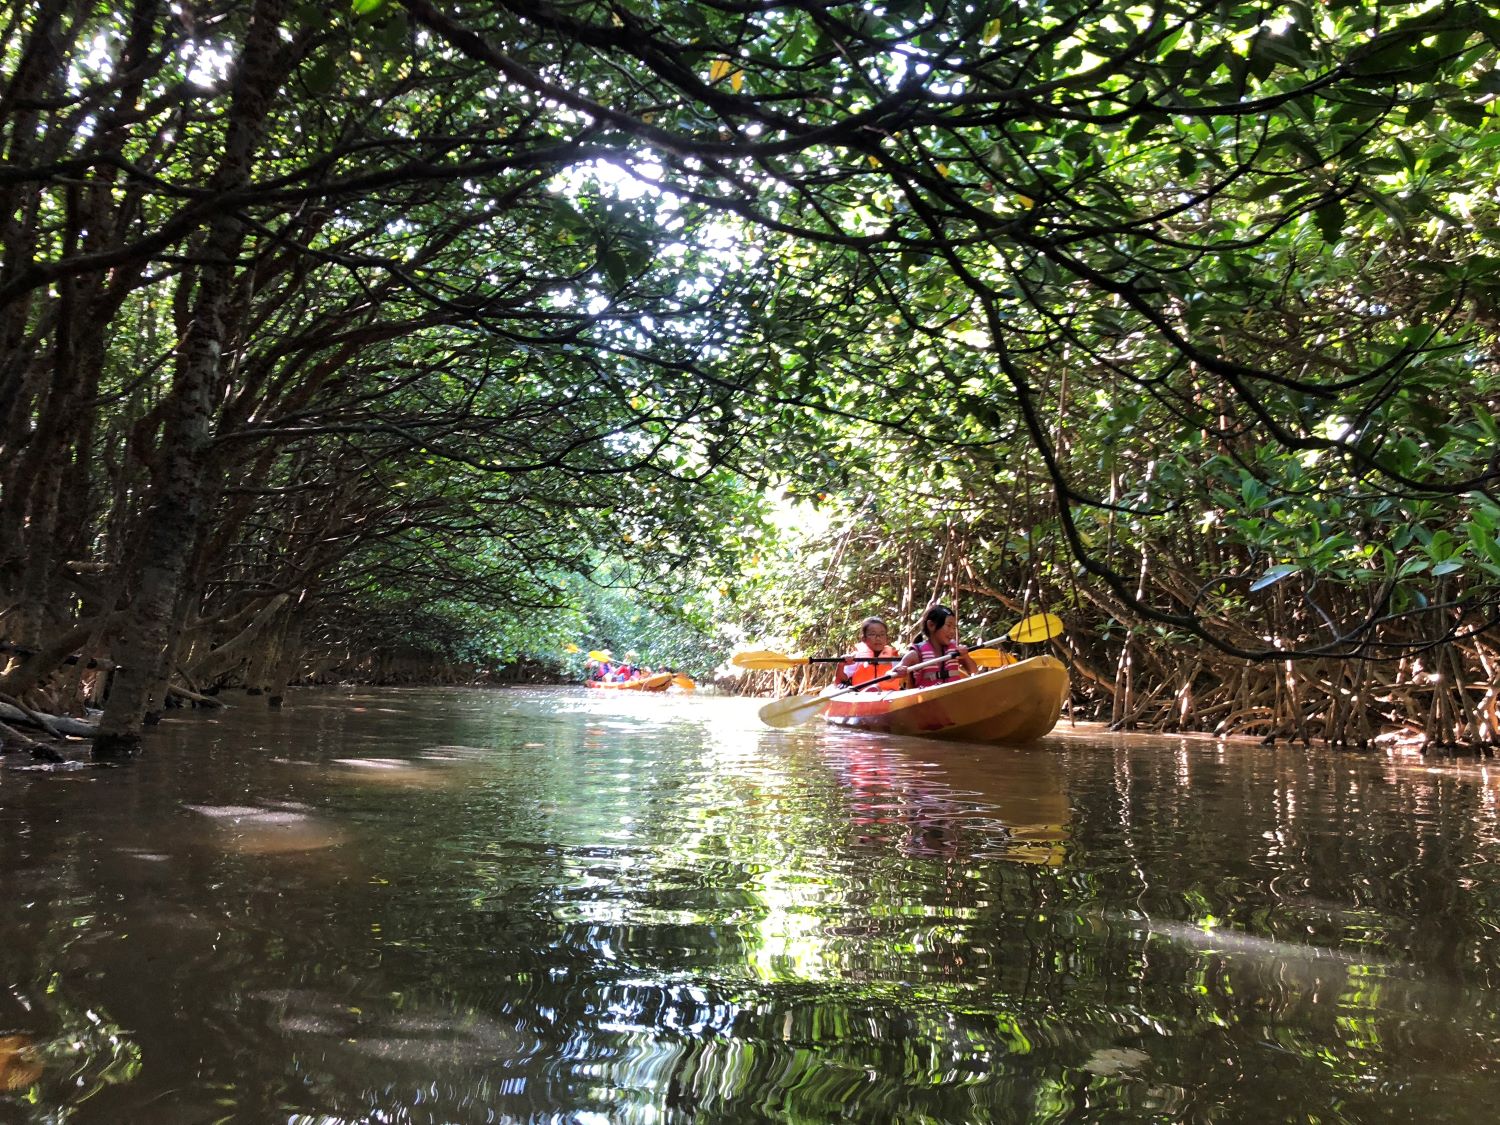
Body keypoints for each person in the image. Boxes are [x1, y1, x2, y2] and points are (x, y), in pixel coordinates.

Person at [894, 604, 978, 688]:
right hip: (928, 698)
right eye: (948, 626)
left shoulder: (955, 651)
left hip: (952, 697)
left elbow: (973, 670)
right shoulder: (915, 654)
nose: (952, 631)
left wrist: (965, 656)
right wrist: (898, 670)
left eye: (954, 627)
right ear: (931, 625)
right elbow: (890, 674)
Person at [835, 617, 901, 691]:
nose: (878, 638)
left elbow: (905, 677)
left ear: (887, 638)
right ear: (864, 638)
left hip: (889, 696)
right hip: (862, 696)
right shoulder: (856, 657)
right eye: (873, 634)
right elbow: (841, 679)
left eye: (882, 634)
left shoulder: (894, 658)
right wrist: (841, 665)